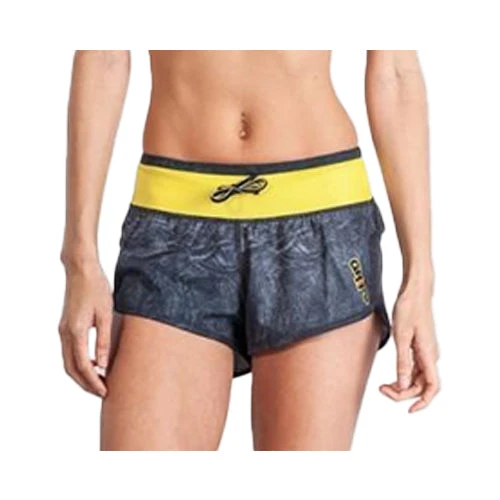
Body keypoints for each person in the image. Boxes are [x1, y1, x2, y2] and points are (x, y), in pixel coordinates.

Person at [59, 50, 440, 451]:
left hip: (319, 225)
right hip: (173, 229)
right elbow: (103, 55)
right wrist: (79, 260)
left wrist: (419, 280)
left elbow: (395, 71)